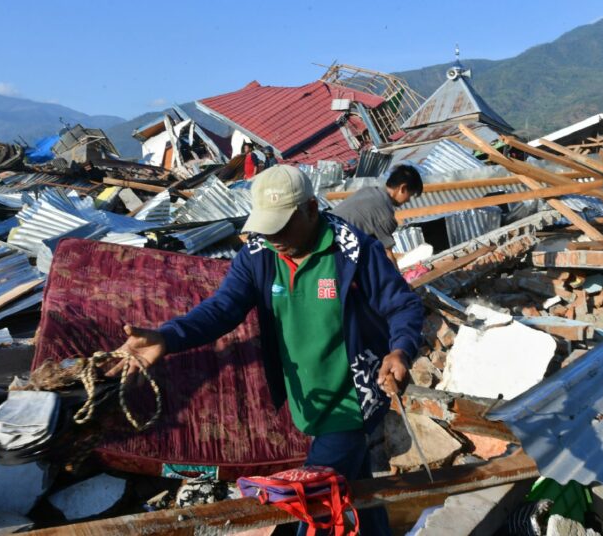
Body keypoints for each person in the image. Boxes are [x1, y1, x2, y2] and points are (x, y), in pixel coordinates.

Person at [113, 165, 424, 535]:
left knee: (311, 500)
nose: (272, 235)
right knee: (354, 489)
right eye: (266, 225)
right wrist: (168, 337)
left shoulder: (355, 251)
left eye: (282, 225)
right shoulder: (259, 254)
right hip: (309, 400)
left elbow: (403, 305)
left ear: (310, 208)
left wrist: (400, 350)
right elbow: (223, 308)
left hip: (354, 397)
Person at [330, 164, 423, 264]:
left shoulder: (367, 191)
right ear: (403, 188)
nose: (408, 200)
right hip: (332, 254)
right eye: (410, 195)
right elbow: (388, 256)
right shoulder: (385, 213)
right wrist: (398, 278)